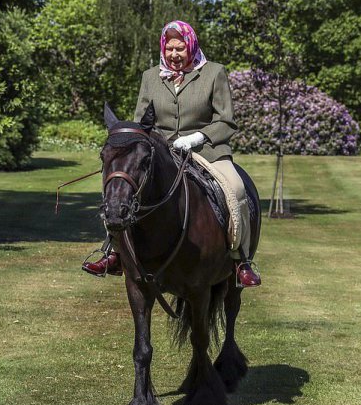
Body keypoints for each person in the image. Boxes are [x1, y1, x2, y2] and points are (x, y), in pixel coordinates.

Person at [83, 20, 261, 287]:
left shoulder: (213, 73)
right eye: (170, 49)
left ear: (191, 46)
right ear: (163, 49)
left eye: (180, 48)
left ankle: (240, 259)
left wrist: (198, 137)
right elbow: (142, 122)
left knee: (236, 188)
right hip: (162, 152)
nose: (175, 55)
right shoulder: (150, 77)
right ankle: (115, 253)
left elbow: (226, 120)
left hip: (207, 150)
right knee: (121, 190)